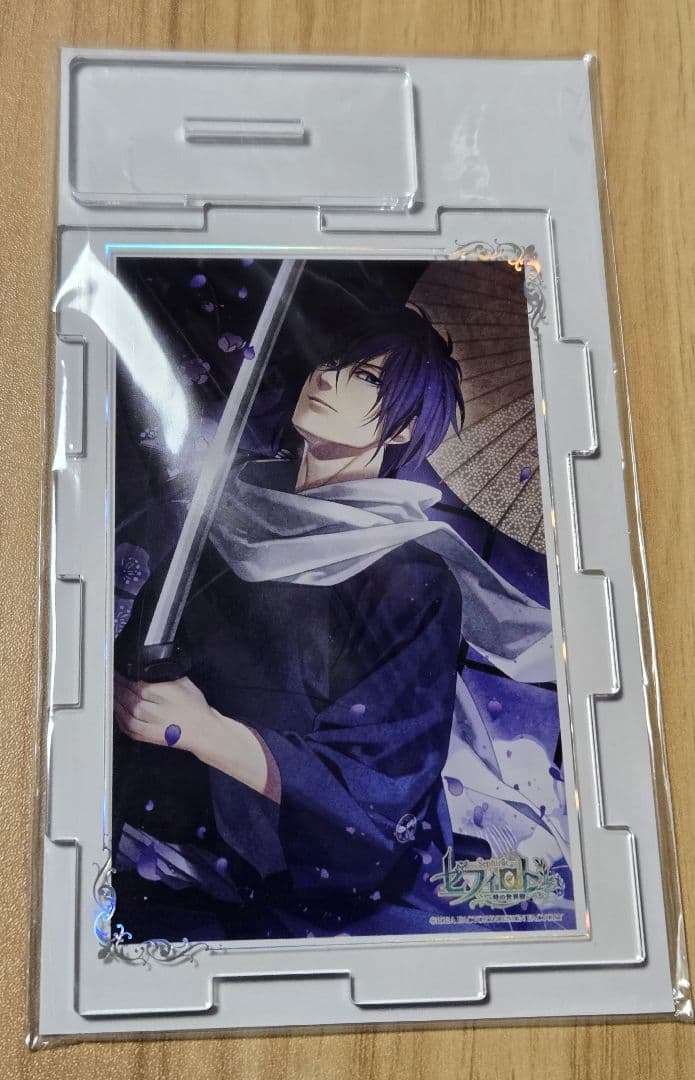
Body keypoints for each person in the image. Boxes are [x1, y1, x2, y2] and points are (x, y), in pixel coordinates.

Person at [113, 307, 561, 942]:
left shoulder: (410, 577)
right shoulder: (224, 522)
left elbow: (382, 787)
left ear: (403, 428)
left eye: (367, 379)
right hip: (156, 842)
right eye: (329, 362)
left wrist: (204, 732)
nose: (327, 378)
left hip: (312, 894)